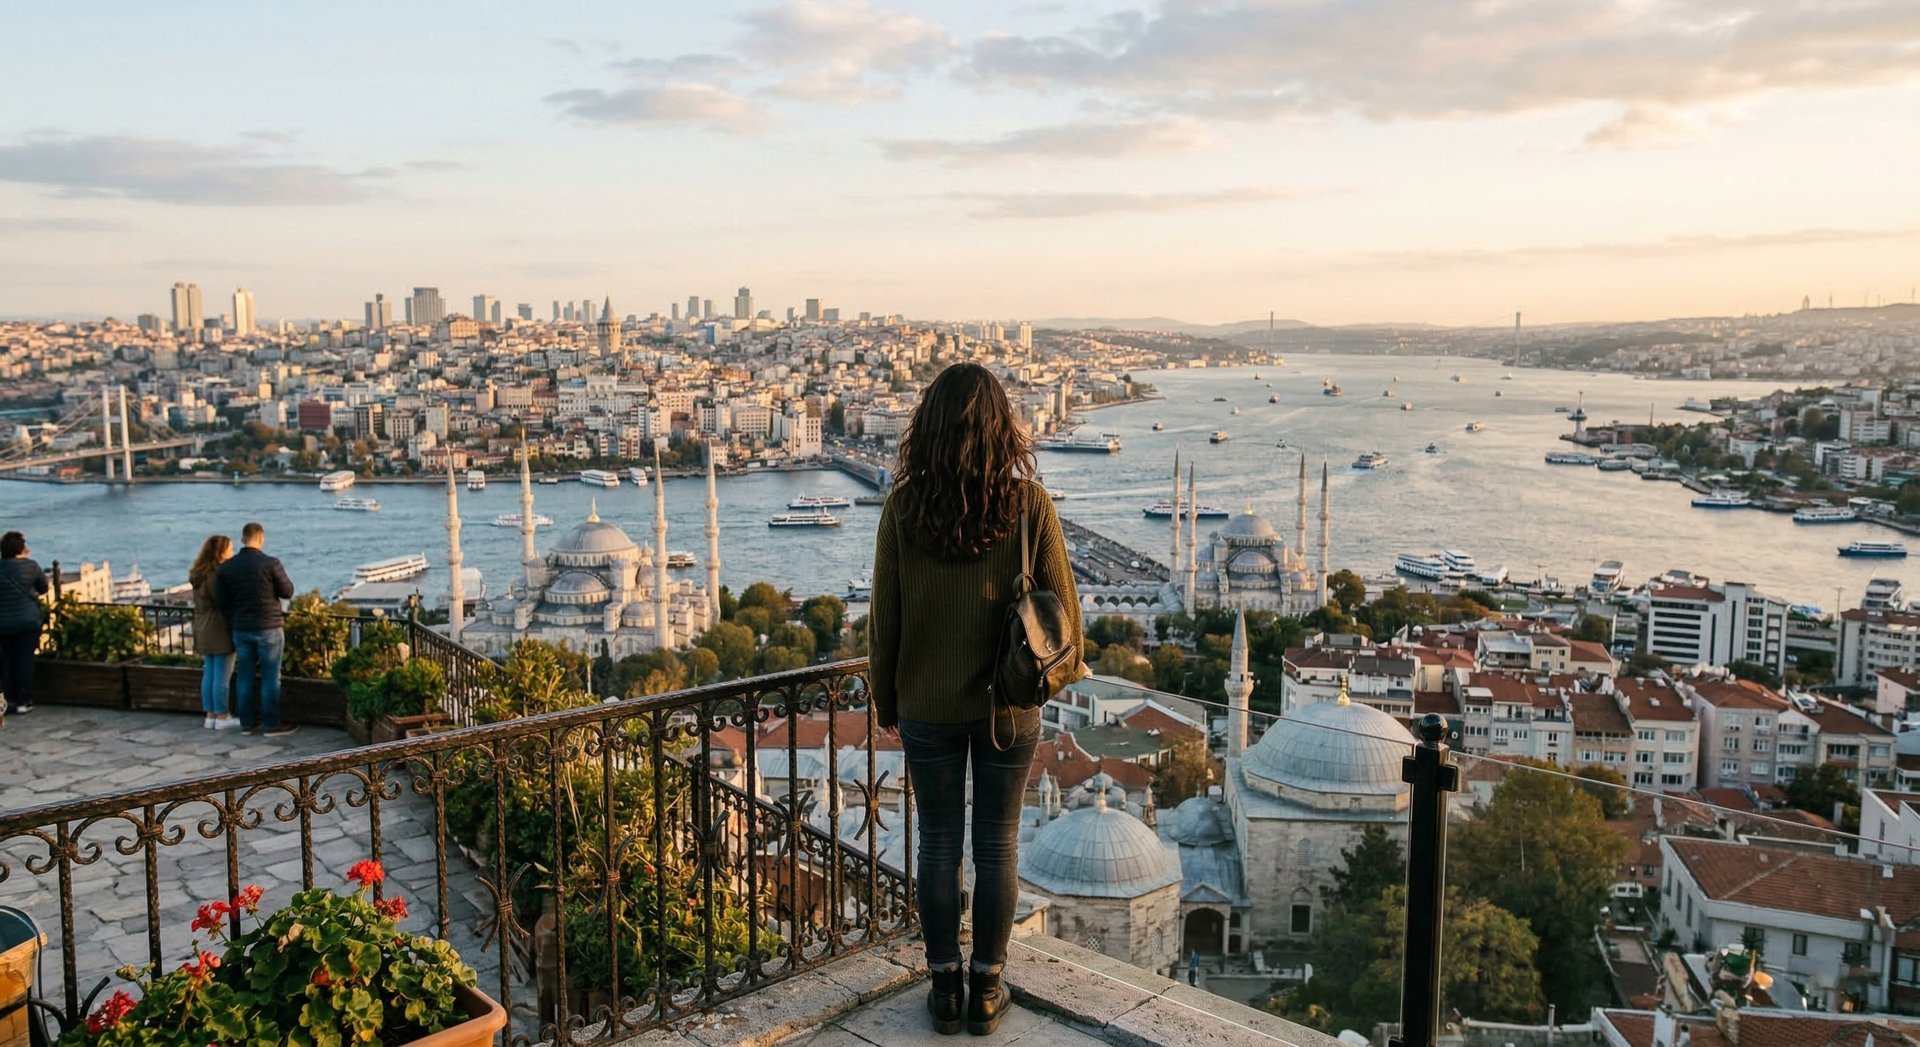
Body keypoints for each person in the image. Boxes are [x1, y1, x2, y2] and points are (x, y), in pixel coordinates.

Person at [868, 363, 1083, 1037]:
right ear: (1003, 428)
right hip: (1008, 707)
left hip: (926, 705)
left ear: (926, 427)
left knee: (937, 843)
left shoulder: (903, 506)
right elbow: (1066, 622)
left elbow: (884, 620)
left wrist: (887, 703)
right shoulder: (1030, 505)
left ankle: (943, 986)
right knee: (997, 844)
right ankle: (987, 988)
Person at [213, 521, 296, 738]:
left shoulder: (226, 567)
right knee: (271, 676)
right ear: (261, 538)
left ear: (242, 539)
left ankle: (247, 724)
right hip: (269, 626)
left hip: (241, 627)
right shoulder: (270, 564)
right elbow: (287, 591)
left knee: (244, 676)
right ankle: (271, 724)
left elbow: (220, 600)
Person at [189, 534, 241, 730]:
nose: (232, 553)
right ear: (221, 553)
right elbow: (223, 602)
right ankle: (222, 715)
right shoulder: (216, 576)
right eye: (230, 549)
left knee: (210, 671)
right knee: (222, 674)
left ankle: (210, 714)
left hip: (203, 626)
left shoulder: (199, 575)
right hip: (219, 627)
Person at [0, 530, 50, 720]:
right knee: (25, 659)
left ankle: (9, 700)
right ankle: (23, 701)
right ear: (22, 549)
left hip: (3, 622)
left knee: (7, 660)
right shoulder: (31, 566)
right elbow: (43, 588)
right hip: (28, 620)